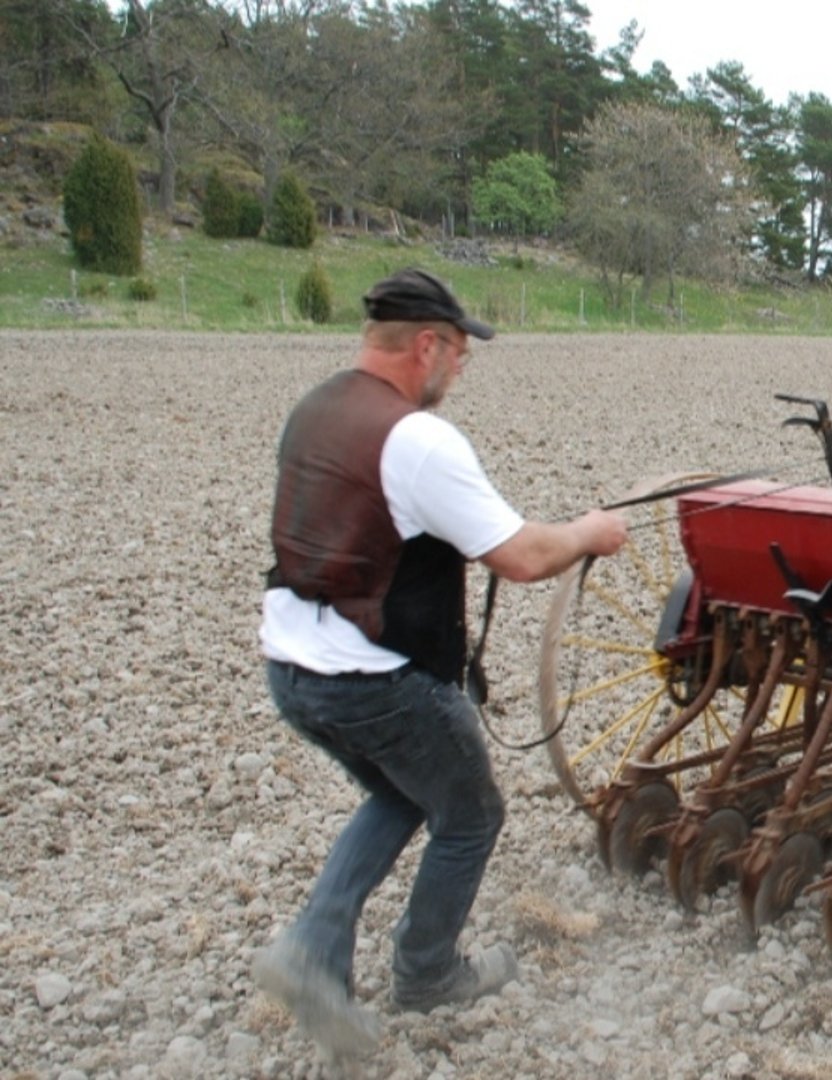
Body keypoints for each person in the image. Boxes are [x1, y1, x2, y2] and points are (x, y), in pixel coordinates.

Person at [251, 268, 627, 1057]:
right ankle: (427, 973)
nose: (460, 369)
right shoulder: (416, 440)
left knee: (401, 791)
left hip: (291, 668)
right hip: (377, 679)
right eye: (458, 353)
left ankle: (313, 950)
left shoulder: (315, 408)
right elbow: (521, 555)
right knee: (471, 815)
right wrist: (590, 532)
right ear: (426, 345)